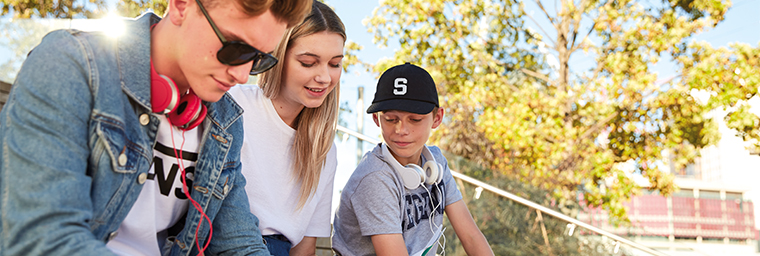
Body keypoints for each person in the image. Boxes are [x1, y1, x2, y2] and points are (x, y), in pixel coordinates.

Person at [0, 0, 311, 255]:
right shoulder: (71, 65)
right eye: (235, 49)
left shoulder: (226, 121)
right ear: (181, 5)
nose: (243, 76)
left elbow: (239, 245)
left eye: (258, 60)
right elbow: (43, 237)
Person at [332, 63, 494, 256]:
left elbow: (471, 237)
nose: (401, 130)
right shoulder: (374, 179)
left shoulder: (436, 163)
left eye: (415, 119)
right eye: (391, 119)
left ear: (437, 118)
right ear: (377, 119)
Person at [228, 1, 344, 255]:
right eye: (308, 62)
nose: (325, 77)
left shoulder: (324, 149)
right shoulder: (234, 105)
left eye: (334, 64)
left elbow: (305, 247)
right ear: (279, 57)